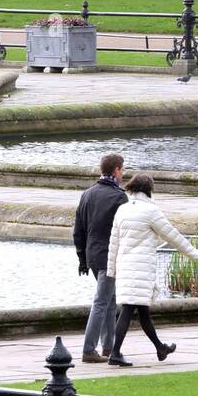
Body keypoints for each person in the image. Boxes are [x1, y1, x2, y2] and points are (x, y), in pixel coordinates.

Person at [107, 173, 198, 367]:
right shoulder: (151, 211)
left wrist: (111, 270)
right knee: (128, 310)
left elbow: (113, 243)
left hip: (125, 266)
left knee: (142, 312)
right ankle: (115, 353)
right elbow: (172, 235)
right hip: (141, 268)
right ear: (149, 190)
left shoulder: (122, 209)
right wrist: (193, 253)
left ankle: (160, 348)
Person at [74, 153, 128, 364]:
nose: (123, 174)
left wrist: (82, 258)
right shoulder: (119, 197)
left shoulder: (87, 194)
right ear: (116, 170)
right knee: (101, 302)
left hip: (92, 254)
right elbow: (123, 231)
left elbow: (78, 230)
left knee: (109, 300)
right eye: (122, 170)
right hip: (110, 256)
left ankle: (108, 346)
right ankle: (89, 349)